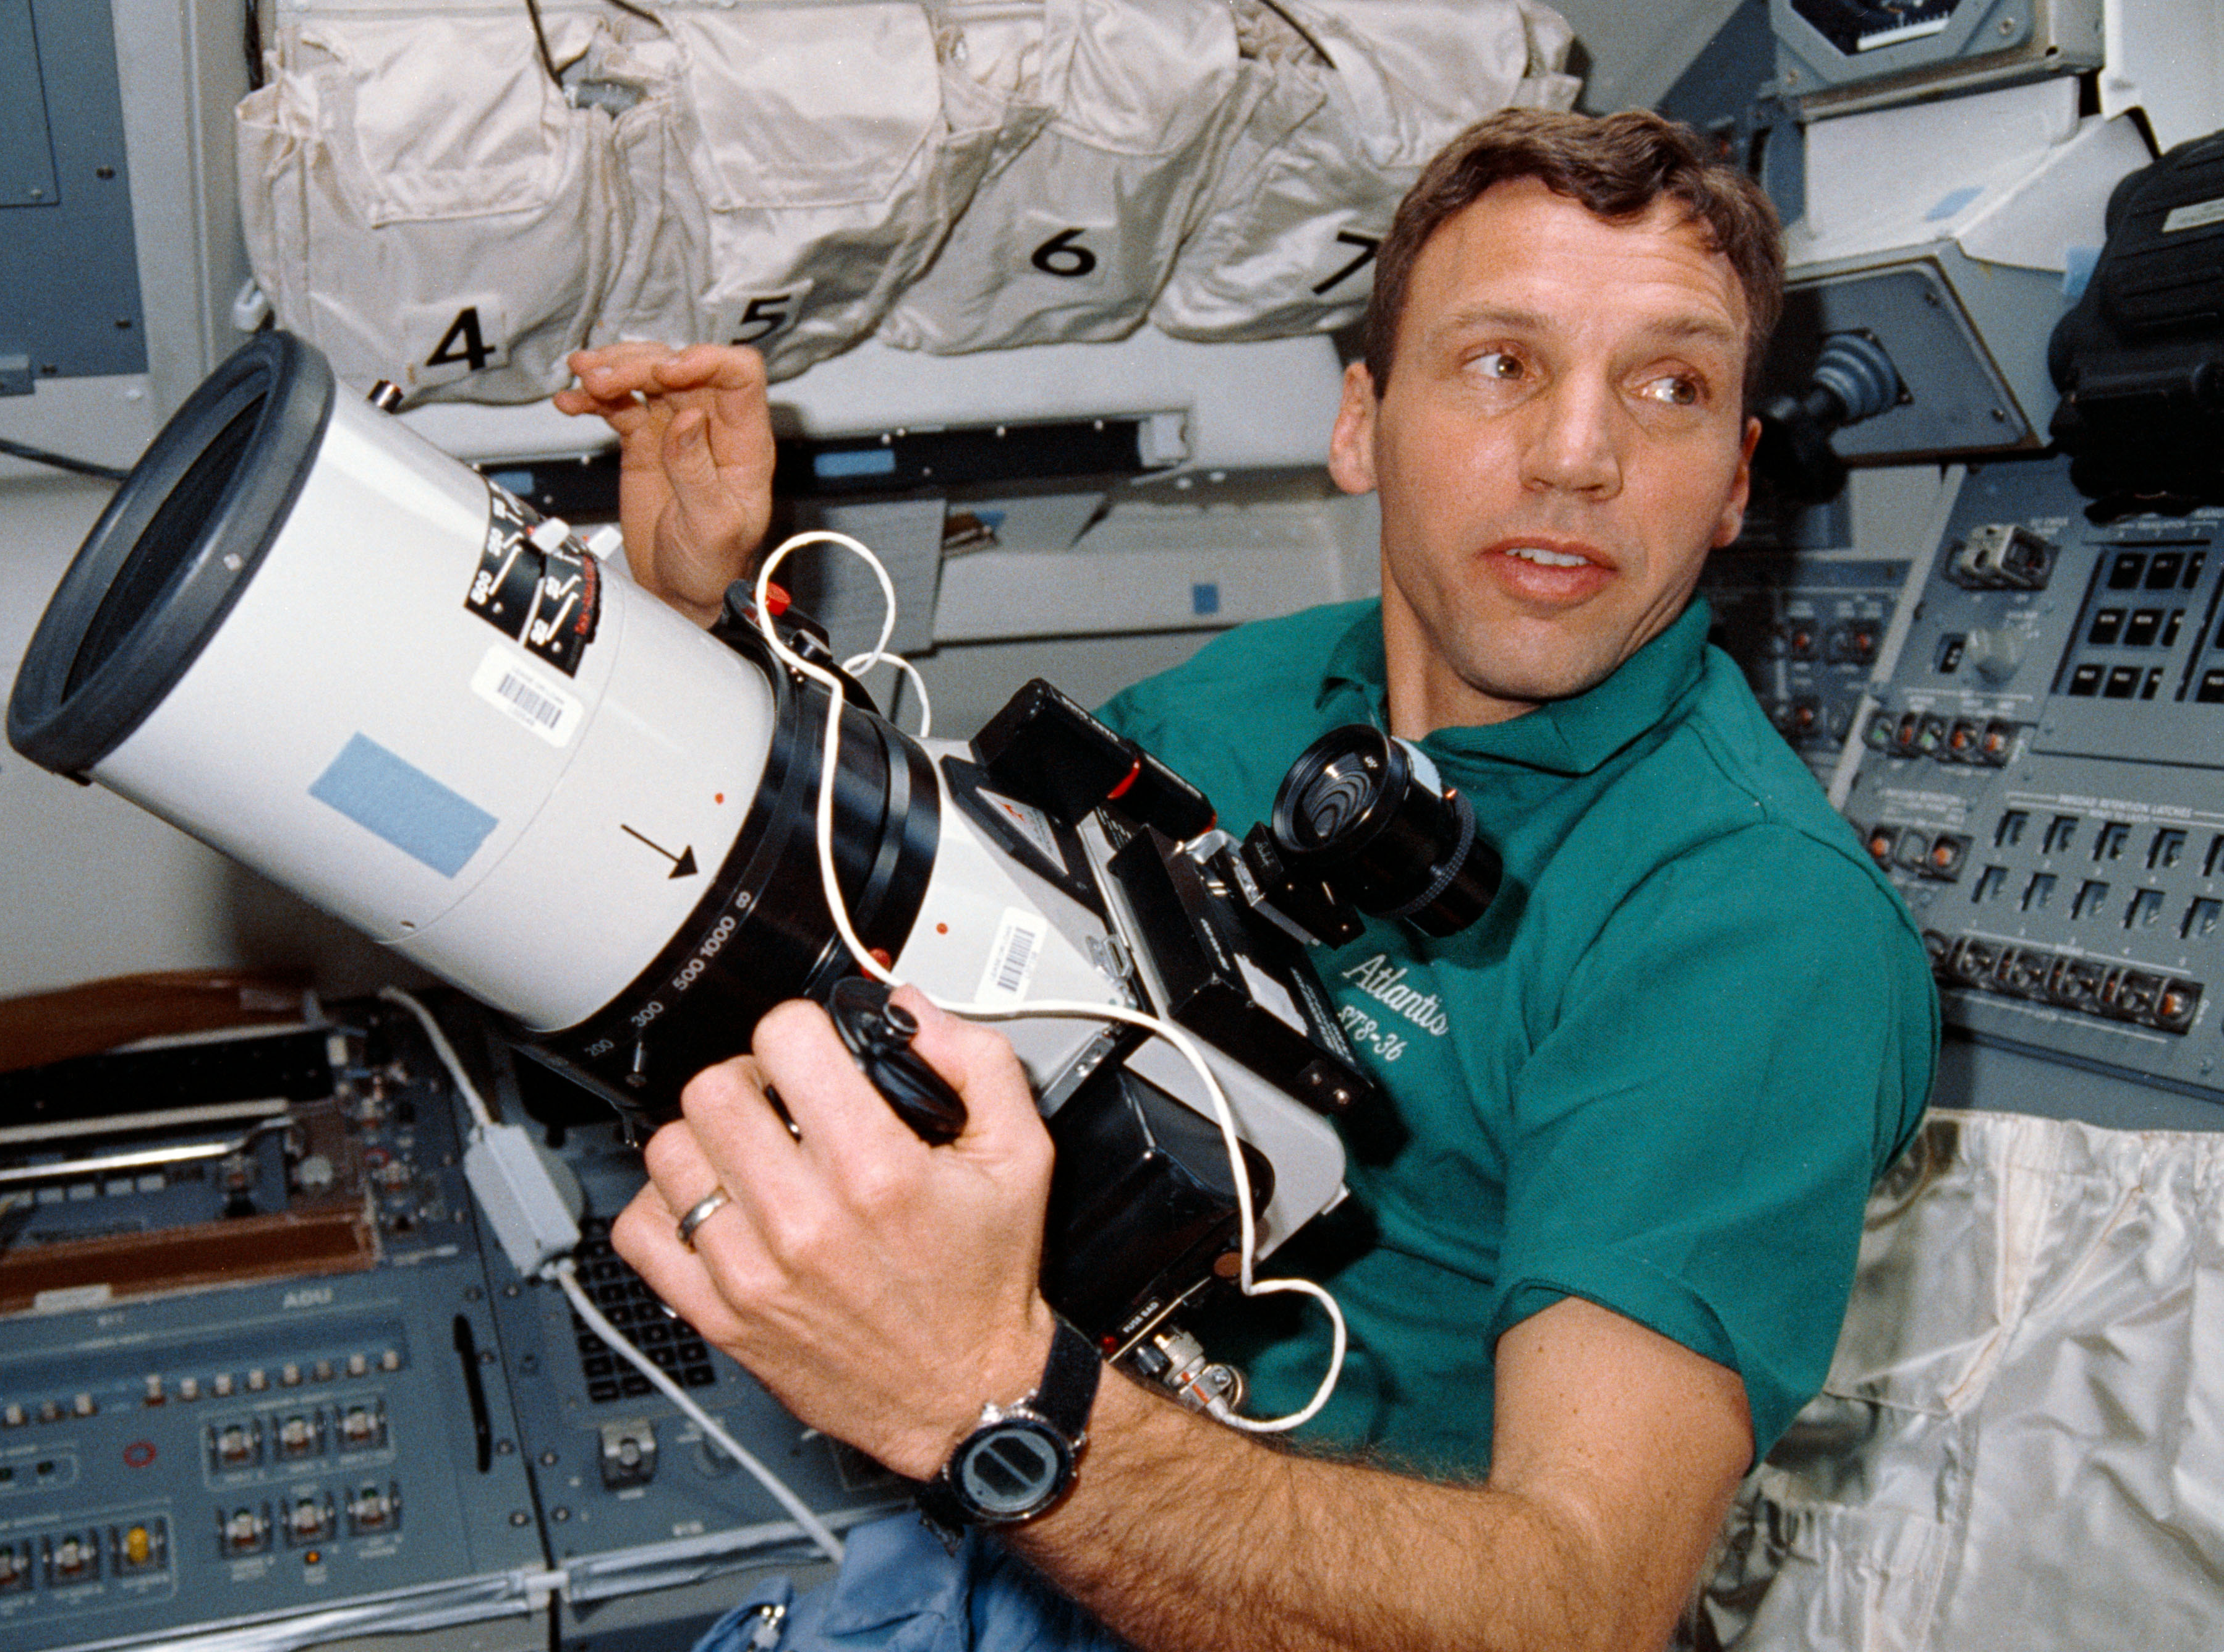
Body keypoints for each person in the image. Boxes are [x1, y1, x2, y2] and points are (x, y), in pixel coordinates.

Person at [552, 108, 1936, 1652]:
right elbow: (919, 954)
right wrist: (709, 633)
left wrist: (993, 1400)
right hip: (997, 1534)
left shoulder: (1747, 924)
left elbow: (1579, 1606)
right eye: (1500, 363)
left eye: (1668, 387)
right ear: (1360, 423)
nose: (1574, 455)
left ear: (1736, 479)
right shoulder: (1248, 702)